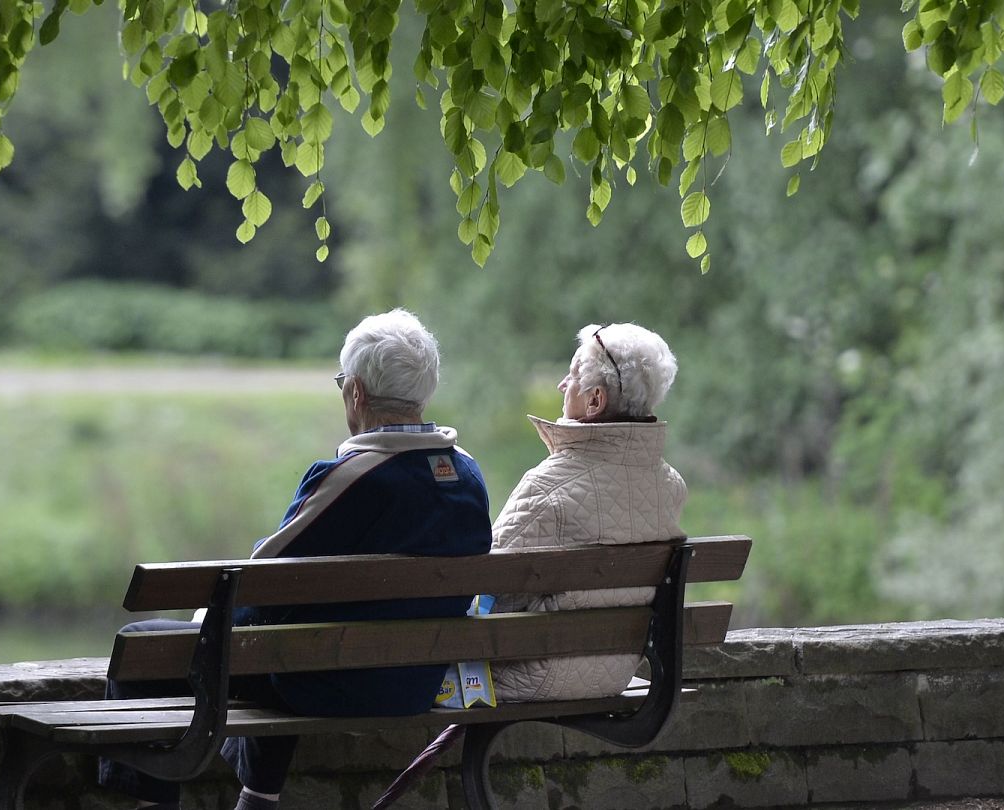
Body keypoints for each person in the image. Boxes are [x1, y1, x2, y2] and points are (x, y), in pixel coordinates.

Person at [98, 308, 493, 810]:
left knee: (152, 645)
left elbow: (258, 579)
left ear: (356, 393)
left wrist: (204, 624)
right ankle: (258, 798)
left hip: (331, 683)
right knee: (281, 639)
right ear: (423, 394)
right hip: (415, 684)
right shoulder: (468, 477)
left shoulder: (354, 477)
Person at [489, 321, 686, 702]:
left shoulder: (548, 486)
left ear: (594, 401)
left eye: (573, 374)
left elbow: (486, 589)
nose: (563, 385)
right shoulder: (671, 486)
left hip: (533, 675)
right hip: (614, 675)